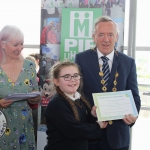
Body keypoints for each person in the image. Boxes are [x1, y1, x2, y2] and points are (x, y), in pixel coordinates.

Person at [75, 16, 141, 150]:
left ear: (116, 37)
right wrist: (89, 112)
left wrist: (133, 116)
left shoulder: (128, 62)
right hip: (90, 134)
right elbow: (76, 95)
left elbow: (134, 96)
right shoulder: (81, 59)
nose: (106, 39)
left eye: (110, 34)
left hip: (118, 137)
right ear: (94, 36)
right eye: (101, 35)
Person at [44, 61, 108, 150]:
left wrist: (92, 115)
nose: (72, 79)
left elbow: (82, 122)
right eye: (66, 77)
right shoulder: (57, 103)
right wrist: (97, 126)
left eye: (75, 75)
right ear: (56, 81)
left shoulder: (80, 99)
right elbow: (74, 131)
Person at [0, 25, 40, 149]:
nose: (20, 48)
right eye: (16, 44)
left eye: (22, 44)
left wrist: (35, 98)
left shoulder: (29, 66)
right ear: (3, 44)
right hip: (2, 125)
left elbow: (35, 92)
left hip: (24, 125)